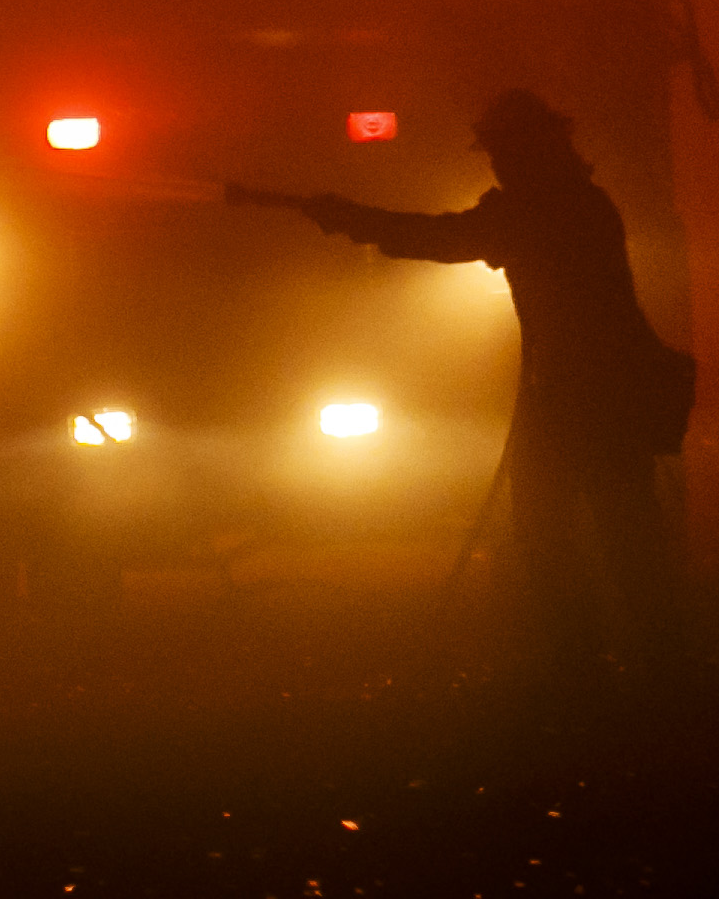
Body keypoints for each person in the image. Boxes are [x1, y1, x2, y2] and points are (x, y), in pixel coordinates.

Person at [279, 89, 692, 663]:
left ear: (531, 150)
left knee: (563, 533)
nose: (497, 163)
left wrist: (352, 220)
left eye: (503, 150)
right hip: (596, 391)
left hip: (581, 396)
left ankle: (590, 664)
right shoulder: (581, 202)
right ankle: (644, 661)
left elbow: (444, 238)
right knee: (614, 532)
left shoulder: (547, 209)